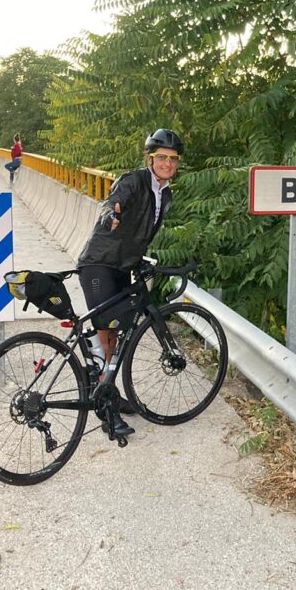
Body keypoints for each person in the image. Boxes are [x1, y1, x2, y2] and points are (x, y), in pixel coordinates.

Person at [76, 128, 183, 436]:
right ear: (150, 158)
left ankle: (105, 388)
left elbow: (140, 232)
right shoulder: (134, 181)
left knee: (118, 332)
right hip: (99, 264)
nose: (167, 163)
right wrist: (111, 212)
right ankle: (106, 408)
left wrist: (139, 260)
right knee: (106, 332)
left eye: (173, 159)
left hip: (123, 266)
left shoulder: (166, 195)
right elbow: (115, 200)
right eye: (161, 157)